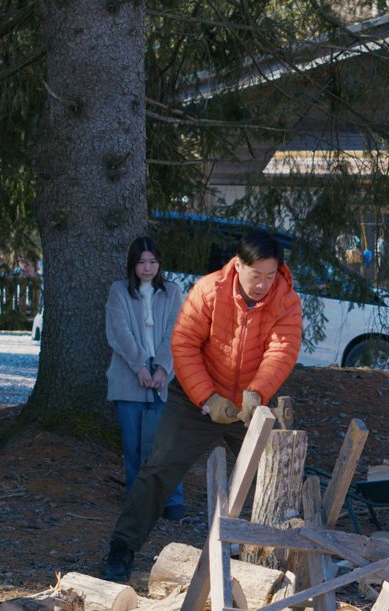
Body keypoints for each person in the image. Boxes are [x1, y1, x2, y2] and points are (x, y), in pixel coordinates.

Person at [99, 230, 303, 583]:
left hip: (251, 405)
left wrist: (256, 392)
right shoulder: (208, 290)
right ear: (238, 266)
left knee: (275, 473)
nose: (263, 285)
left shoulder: (286, 301)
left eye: (271, 276)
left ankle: (275, 557)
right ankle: (122, 548)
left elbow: (281, 351)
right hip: (196, 399)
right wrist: (207, 398)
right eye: (257, 275)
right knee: (158, 469)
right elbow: (185, 344)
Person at [105, 236, 185, 520]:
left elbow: (177, 332)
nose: (147, 268)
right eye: (142, 262)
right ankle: (137, 501)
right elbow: (119, 332)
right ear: (133, 264)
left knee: (166, 443)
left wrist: (162, 367)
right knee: (134, 444)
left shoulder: (173, 292)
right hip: (129, 376)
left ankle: (171, 500)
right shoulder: (119, 292)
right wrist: (140, 365)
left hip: (164, 374)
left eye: (152, 262)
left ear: (159, 264)